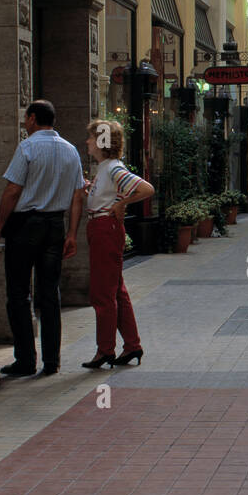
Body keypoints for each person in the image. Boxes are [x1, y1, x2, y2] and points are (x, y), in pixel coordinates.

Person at [0, 99, 87, 378]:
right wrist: (71, 234)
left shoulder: (28, 146)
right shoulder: (71, 150)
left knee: (19, 294)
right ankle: (52, 361)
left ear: (32, 119)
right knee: (50, 295)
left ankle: (25, 360)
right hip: (55, 225)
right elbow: (78, 195)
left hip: (24, 227)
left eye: (26, 118)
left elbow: (12, 190)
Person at [81, 119, 154, 369]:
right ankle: (131, 345)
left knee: (103, 293)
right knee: (116, 291)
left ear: (101, 141)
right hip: (104, 228)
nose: (88, 142)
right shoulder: (106, 168)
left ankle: (105, 350)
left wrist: (121, 204)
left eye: (91, 137)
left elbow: (146, 189)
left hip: (104, 228)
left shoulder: (112, 168)